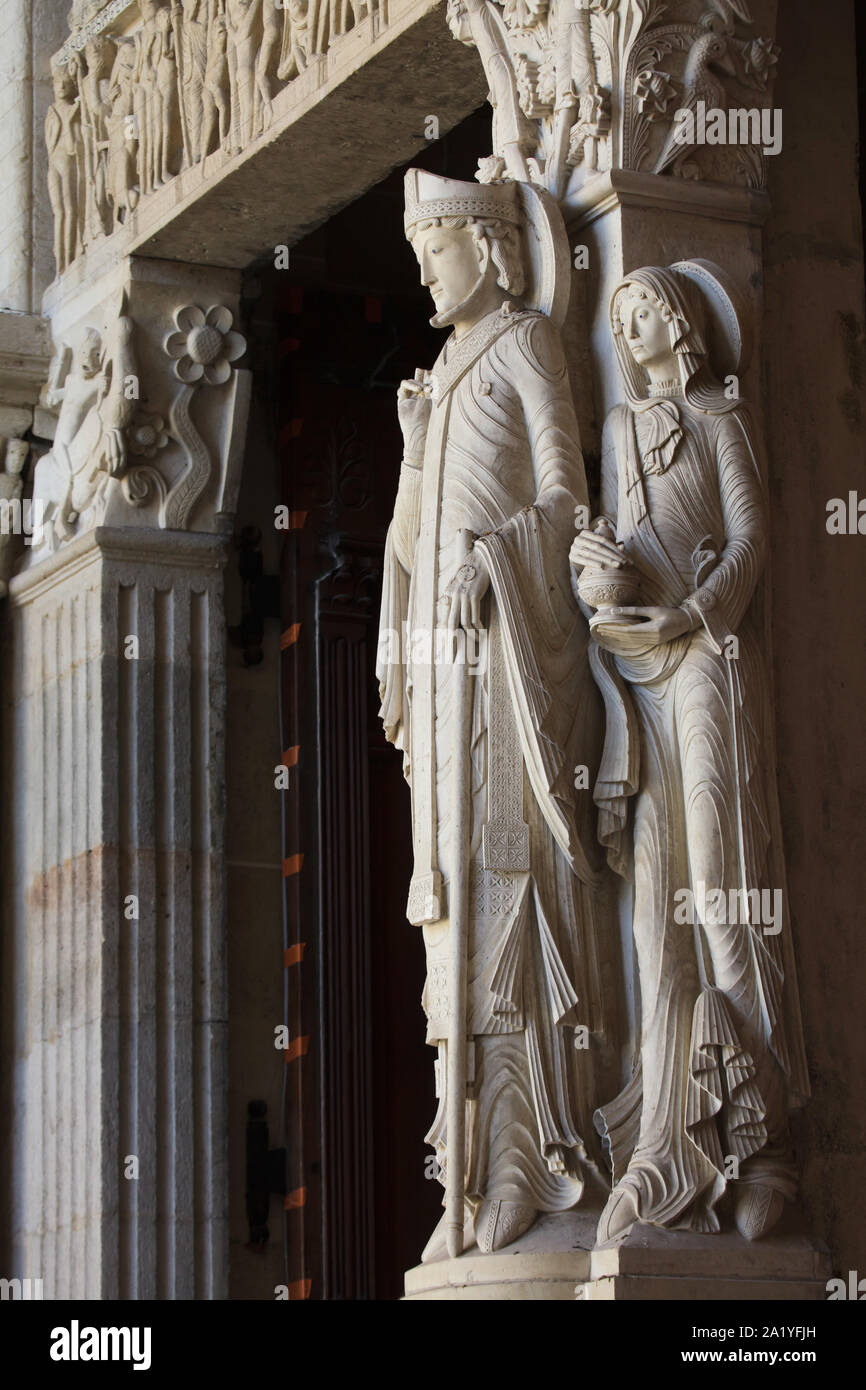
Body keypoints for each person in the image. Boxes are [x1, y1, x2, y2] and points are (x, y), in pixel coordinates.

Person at [377, 170, 609, 1259]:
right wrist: (417, 450)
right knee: (447, 914)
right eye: (419, 247)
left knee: (508, 890)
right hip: (443, 677)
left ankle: (530, 1160)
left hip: (509, 665)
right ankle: (462, 1171)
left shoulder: (523, 344)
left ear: (489, 246)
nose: (424, 266)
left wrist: (497, 553)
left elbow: (566, 496)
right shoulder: (436, 378)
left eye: (437, 244)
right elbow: (408, 548)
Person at [570, 261, 809, 1244]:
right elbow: (615, 541)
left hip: (706, 656)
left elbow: (751, 539)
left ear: (678, 322)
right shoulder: (620, 428)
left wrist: (695, 611)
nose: (627, 332)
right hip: (635, 664)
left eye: (639, 314)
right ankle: (670, 1135)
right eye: (616, 320)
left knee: (722, 886)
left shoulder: (719, 417)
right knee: (651, 907)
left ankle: (768, 1138)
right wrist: (597, 575)